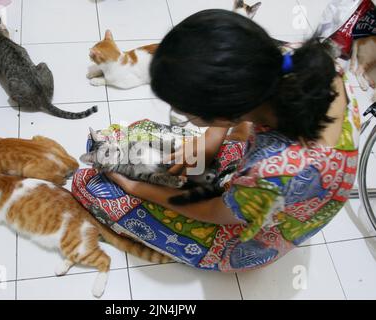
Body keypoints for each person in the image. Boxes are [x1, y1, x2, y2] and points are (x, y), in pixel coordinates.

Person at [72, 9, 360, 271]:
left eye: (184, 112)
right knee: (126, 143)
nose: (180, 115)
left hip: (256, 231)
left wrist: (134, 188)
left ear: (224, 113)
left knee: (90, 185)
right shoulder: (295, 60)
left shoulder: (275, 172)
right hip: (263, 179)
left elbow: (212, 211)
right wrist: (210, 139)